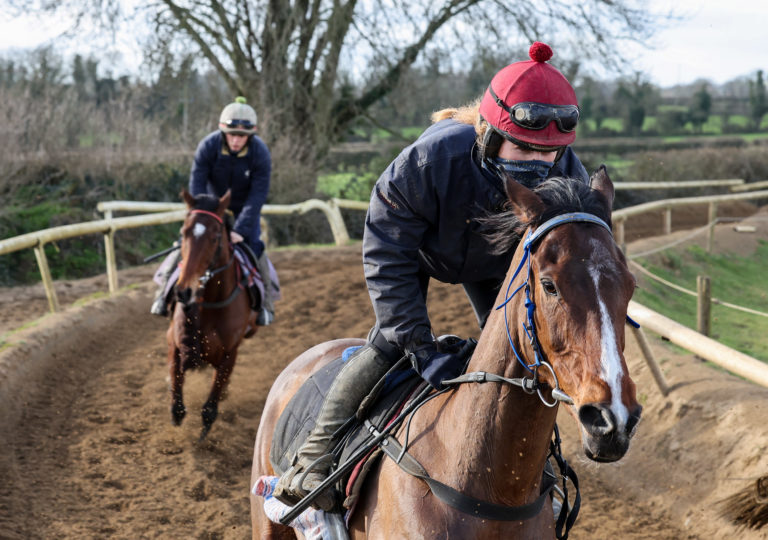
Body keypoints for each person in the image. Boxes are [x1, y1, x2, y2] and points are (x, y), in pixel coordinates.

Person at [274, 42, 589, 510]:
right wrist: (418, 347)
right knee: (387, 345)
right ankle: (315, 459)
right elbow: (385, 246)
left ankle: (537, 468)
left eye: (550, 152)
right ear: (487, 134)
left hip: (497, 263)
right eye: (523, 145)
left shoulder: (568, 175)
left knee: (522, 353)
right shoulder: (430, 160)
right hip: (417, 250)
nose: (538, 165)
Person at [150, 96, 276, 326]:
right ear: (223, 131)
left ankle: (266, 305)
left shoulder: (261, 154)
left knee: (256, 249)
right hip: (210, 208)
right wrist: (202, 214)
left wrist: (240, 229)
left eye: (242, 136)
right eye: (232, 135)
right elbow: (196, 185)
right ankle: (162, 296)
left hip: (243, 212)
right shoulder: (208, 146)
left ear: (250, 135)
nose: (236, 141)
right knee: (187, 245)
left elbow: (258, 196)